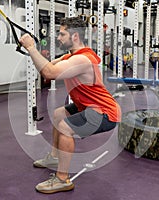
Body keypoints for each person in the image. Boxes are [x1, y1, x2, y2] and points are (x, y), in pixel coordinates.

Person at [19, 16, 121, 194]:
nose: (58, 38)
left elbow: (49, 73)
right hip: (88, 106)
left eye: (62, 34)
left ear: (75, 37)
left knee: (65, 128)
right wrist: (32, 52)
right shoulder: (71, 56)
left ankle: (62, 179)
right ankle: (54, 157)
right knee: (59, 114)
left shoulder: (82, 60)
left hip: (105, 112)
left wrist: (31, 47)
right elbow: (48, 66)